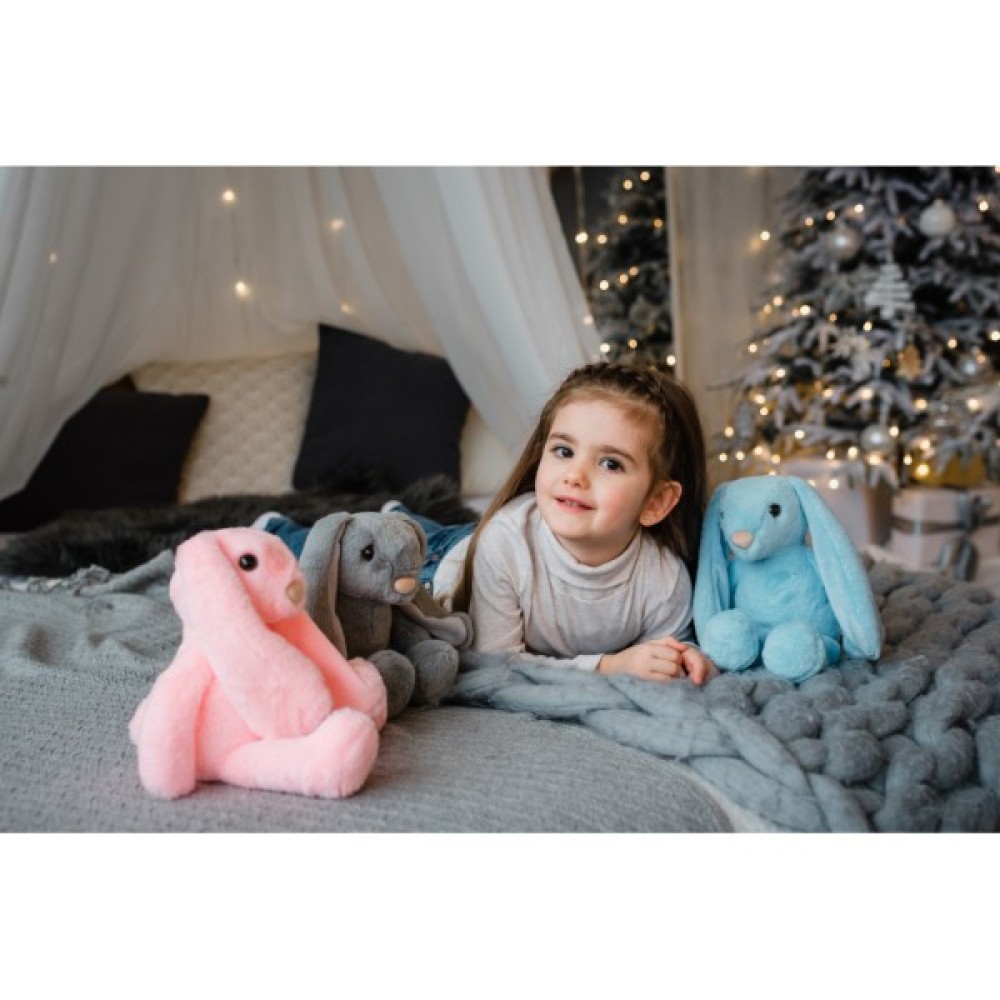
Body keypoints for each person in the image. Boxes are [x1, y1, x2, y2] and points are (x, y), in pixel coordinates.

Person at [258, 359, 715, 685]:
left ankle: (402, 515)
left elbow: (668, 652)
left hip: (470, 543)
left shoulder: (663, 580)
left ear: (657, 502)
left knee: (418, 529)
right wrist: (607, 666)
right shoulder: (507, 545)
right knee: (357, 554)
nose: (575, 476)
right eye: (563, 451)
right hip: (441, 571)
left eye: (610, 463)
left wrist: (688, 660)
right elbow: (496, 664)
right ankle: (279, 528)